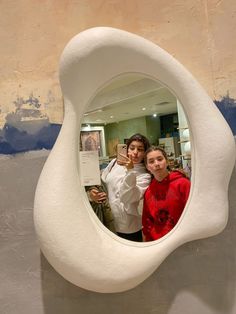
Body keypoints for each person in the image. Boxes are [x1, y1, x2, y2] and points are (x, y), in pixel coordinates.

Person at [88, 133, 151, 242]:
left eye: (140, 149)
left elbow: (128, 197)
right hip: (107, 220)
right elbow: (103, 182)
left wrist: (130, 170)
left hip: (128, 226)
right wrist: (94, 193)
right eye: (132, 148)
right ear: (126, 149)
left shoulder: (145, 175)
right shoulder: (114, 163)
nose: (135, 152)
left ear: (145, 153)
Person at [142, 146, 191, 241]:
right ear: (147, 167)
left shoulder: (183, 184)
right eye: (151, 161)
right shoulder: (148, 192)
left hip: (181, 240)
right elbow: (147, 221)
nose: (156, 164)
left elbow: (192, 214)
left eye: (160, 159)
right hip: (158, 242)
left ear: (167, 161)